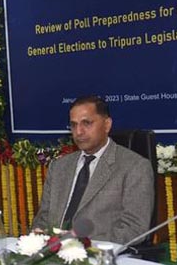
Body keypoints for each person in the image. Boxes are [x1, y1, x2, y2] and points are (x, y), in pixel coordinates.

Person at [32, 96, 154, 244]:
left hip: (100, 252)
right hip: (52, 251)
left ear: (107, 125)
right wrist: (38, 241)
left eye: (86, 123)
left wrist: (81, 244)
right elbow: (43, 218)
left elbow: (134, 229)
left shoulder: (134, 167)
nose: (79, 132)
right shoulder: (58, 167)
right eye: (73, 125)